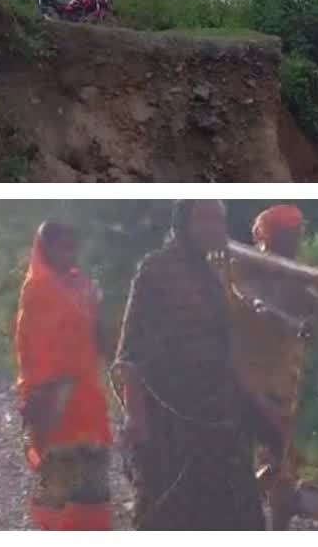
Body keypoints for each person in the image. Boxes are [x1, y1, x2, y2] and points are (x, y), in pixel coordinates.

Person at [113, 199, 280, 530]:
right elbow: (131, 350)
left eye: (219, 220)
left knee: (236, 513)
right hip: (169, 416)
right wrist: (135, 415)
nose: (214, 228)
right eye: (204, 219)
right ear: (183, 224)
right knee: (170, 511)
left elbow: (233, 342)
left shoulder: (217, 272)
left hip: (220, 409)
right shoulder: (155, 270)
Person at [13, 221, 113, 530]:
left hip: (88, 399)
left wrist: (97, 308)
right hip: (54, 401)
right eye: (60, 246)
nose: (68, 254)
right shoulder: (37, 290)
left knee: (93, 484)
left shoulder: (82, 285)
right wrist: (49, 395)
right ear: (45, 250)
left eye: (72, 246)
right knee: (58, 485)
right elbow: (32, 348)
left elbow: (98, 339)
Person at [231, 204, 314, 530]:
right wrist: (292, 322)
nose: (296, 242)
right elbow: (258, 303)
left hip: (283, 382)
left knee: (284, 465)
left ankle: (275, 528)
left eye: (298, 235)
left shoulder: (291, 271)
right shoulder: (244, 266)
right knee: (255, 457)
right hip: (245, 383)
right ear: (271, 237)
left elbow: (312, 299)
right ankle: (235, 506)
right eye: (290, 236)